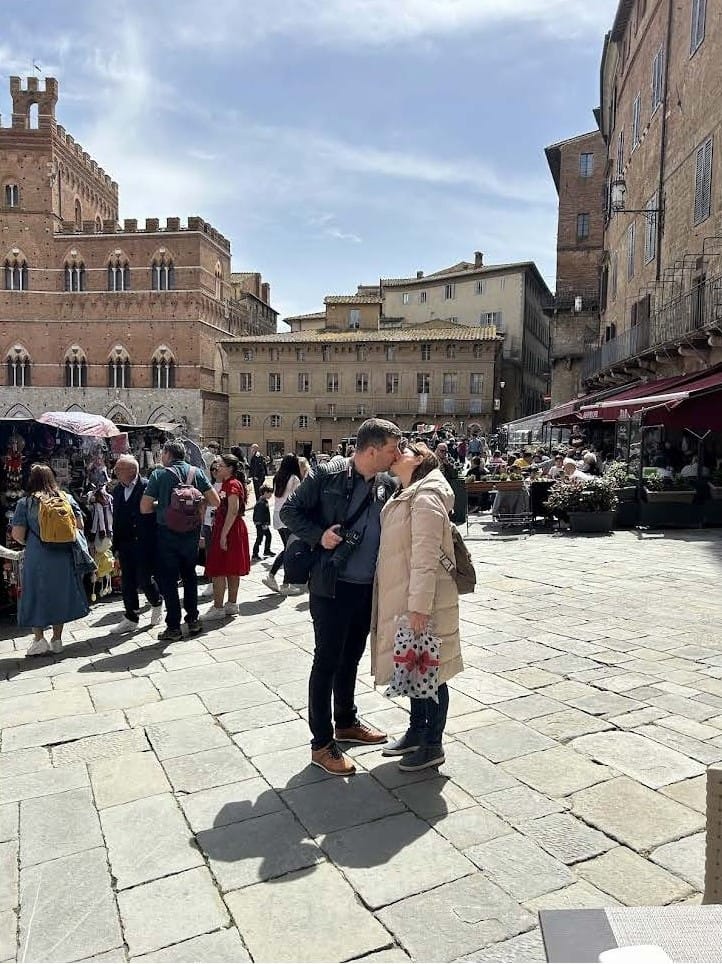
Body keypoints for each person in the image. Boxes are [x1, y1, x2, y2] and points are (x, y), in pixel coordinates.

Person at [281, 418, 401, 776]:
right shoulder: (327, 474)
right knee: (327, 661)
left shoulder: (386, 484)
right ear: (372, 450)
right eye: (392, 448)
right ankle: (321, 744)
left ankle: (346, 722)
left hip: (366, 587)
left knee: (351, 657)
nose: (397, 455)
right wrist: (320, 535)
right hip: (332, 584)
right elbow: (289, 511)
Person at [372, 442, 462, 771]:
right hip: (407, 595)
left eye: (405, 449)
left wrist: (419, 607)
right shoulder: (408, 491)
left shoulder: (425, 496)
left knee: (431, 672)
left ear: (420, 459)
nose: (396, 452)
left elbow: (426, 556)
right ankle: (416, 732)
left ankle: (432, 744)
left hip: (424, 600)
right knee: (413, 664)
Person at [141, 440, 219, 642]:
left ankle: (173, 626)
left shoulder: (159, 475)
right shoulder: (196, 472)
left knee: (168, 580)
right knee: (189, 576)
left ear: (168, 454)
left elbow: (144, 507)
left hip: (167, 534)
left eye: (163, 453)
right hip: (191, 534)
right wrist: (195, 503)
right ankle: (193, 620)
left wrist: (163, 505)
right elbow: (215, 501)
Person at [11, 463, 89, 656]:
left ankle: (39, 640)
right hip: (63, 554)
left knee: (35, 595)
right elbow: (79, 525)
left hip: (37, 555)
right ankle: (57, 639)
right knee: (58, 594)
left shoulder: (25, 503)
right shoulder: (66, 498)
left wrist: (32, 540)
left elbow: (17, 534)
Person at [112, 455, 163, 634]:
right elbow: (117, 518)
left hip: (144, 541)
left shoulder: (147, 486)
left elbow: (157, 512)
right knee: (127, 581)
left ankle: (156, 601)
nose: (116, 472)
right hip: (125, 542)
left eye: (119, 469)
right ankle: (131, 616)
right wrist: (115, 545)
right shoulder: (118, 490)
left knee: (144, 578)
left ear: (132, 470)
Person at [204, 453, 251, 619]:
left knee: (219, 569)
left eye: (221, 465)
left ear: (230, 468)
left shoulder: (232, 484)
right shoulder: (227, 483)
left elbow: (233, 510)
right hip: (229, 528)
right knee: (231, 568)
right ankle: (231, 604)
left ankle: (218, 607)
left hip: (229, 529)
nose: (217, 468)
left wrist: (223, 535)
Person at [263, 454, 303, 595]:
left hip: (278, 514)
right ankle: (282, 582)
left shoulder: (277, 477)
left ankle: (277, 579)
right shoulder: (294, 479)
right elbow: (299, 499)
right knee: (289, 550)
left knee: (288, 548)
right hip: (289, 516)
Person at [251, 484, 274, 561]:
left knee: (268, 536)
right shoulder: (261, 502)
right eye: (270, 493)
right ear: (265, 492)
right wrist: (263, 524)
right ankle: (255, 554)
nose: (271, 495)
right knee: (259, 538)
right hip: (261, 524)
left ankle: (267, 550)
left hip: (264, 523)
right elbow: (260, 515)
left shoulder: (264, 501)